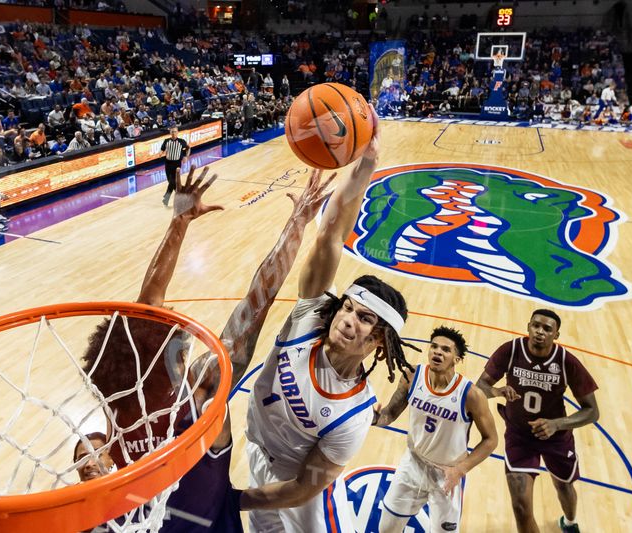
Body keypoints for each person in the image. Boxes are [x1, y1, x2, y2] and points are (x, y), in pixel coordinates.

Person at [81, 164, 336, 532]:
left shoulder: (118, 395)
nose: (174, 320)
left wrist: (179, 224)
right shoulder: (200, 393)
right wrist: (297, 222)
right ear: (177, 357)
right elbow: (256, 303)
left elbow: (147, 304)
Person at [238, 107, 417, 533]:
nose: (349, 320)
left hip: (305, 501)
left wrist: (230, 499)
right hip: (257, 458)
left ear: (378, 342)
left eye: (365, 319)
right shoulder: (310, 317)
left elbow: (302, 489)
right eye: (350, 308)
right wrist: (365, 167)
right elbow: (331, 234)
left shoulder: (352, 414)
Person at [476, 309, 600, 533]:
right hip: (519, 436)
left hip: (556, 438)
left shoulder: (566, 361)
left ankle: (570, 522)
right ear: (528, 327)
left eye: (547, 329)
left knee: (563, 486)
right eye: (536, 326)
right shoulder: (511, 350)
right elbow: (480, 387)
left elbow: (592, 411)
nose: (540, 332)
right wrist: (497, 391)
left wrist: (557, 424)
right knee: (521, 508)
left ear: (556, 335)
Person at [374, 327, 498, 533]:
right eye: (434, 347)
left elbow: (491, 440)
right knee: (386, 528)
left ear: (457, 359)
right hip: (413, 464)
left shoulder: (471, 395)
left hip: (447, 474)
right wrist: (375, 418)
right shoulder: (411, 376)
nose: (438, 352)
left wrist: (461, 469)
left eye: (446, 350)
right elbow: (390, 413)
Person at [159, 127, 190, 206]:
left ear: (177, 132)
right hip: (168, 163)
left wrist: (186, 156)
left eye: (175, 132)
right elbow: (162, 149)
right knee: (170, 181)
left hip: (177, 163)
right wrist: (160, 153)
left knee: (173, 181)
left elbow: (188, 148)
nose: (173, 133)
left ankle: (167, 197)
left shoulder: (181, 141)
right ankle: (180, 196)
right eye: (172, 132)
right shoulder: (166, 141)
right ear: (170, 132)